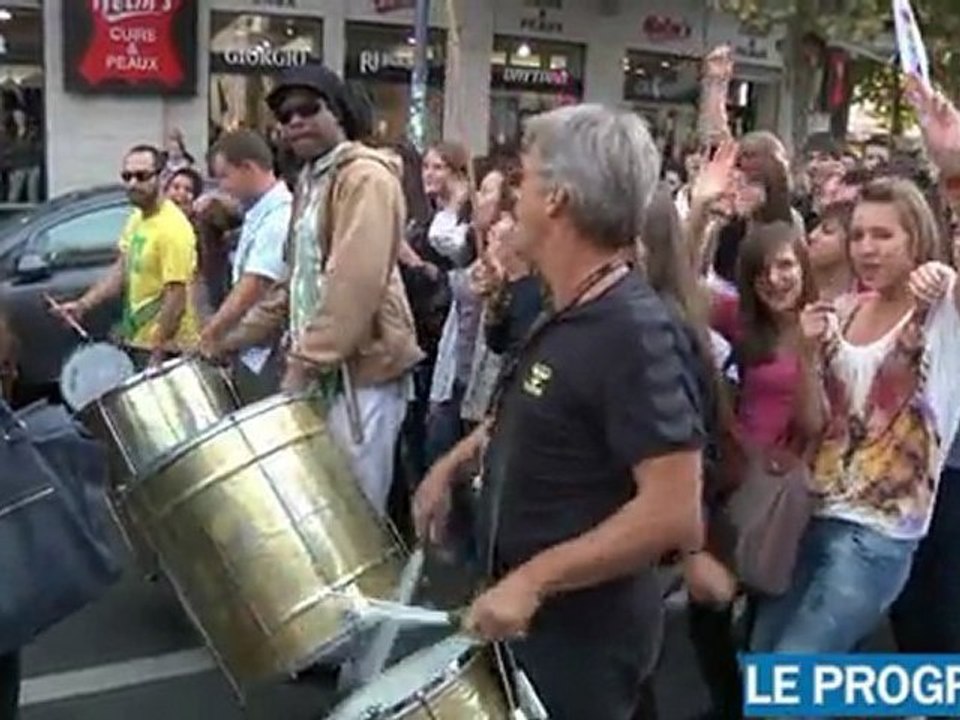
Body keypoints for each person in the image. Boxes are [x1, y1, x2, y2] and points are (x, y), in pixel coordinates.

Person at [415, 105, 705, 720]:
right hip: (531, 624)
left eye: (523, 178)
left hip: (580, 643)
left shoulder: (635, 331)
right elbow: (539, 414)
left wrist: (533, 580)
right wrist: (452, 466)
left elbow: (675, 513)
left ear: (557, 199)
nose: (511, 197)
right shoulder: (570, 306)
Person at [210, 61, 422, 516]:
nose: (296, 121)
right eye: (285, 117)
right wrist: (226, 339)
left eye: (308, 108)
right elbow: (296, 282)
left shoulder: (365, 176)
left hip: (362, 375)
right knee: (323, 513)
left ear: (339, 114)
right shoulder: (311, 180)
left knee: (356, 517)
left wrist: (303, 365)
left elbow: (353, 285)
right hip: (326, 377)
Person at [55, 145, 199, 368]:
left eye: (142, 176)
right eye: (127, 176)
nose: (133, 183)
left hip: (169, 351)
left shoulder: (174, 228)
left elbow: (176, 298)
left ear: (162, 178)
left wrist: (158, 351)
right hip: (139, 343)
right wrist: (83, 305)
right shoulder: (137, 219)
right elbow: (121, 270)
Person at [200, 130, 291, 401]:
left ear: (249, 168)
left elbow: (254, 285)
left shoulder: (279, 218)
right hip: (251, 349)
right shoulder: (255, 214)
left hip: (269, 353)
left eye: (224, 176)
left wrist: (212, 334)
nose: (222, 187)